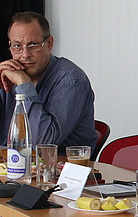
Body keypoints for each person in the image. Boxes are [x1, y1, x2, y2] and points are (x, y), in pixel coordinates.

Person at [0, 11, 96, 154]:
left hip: (59, 170)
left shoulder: (71, 80)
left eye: (33, 45)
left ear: (49, 44)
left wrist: (24, 84)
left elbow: (43, 142)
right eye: (17, 46)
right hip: (11, 167)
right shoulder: (7, 75)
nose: (25, 54)